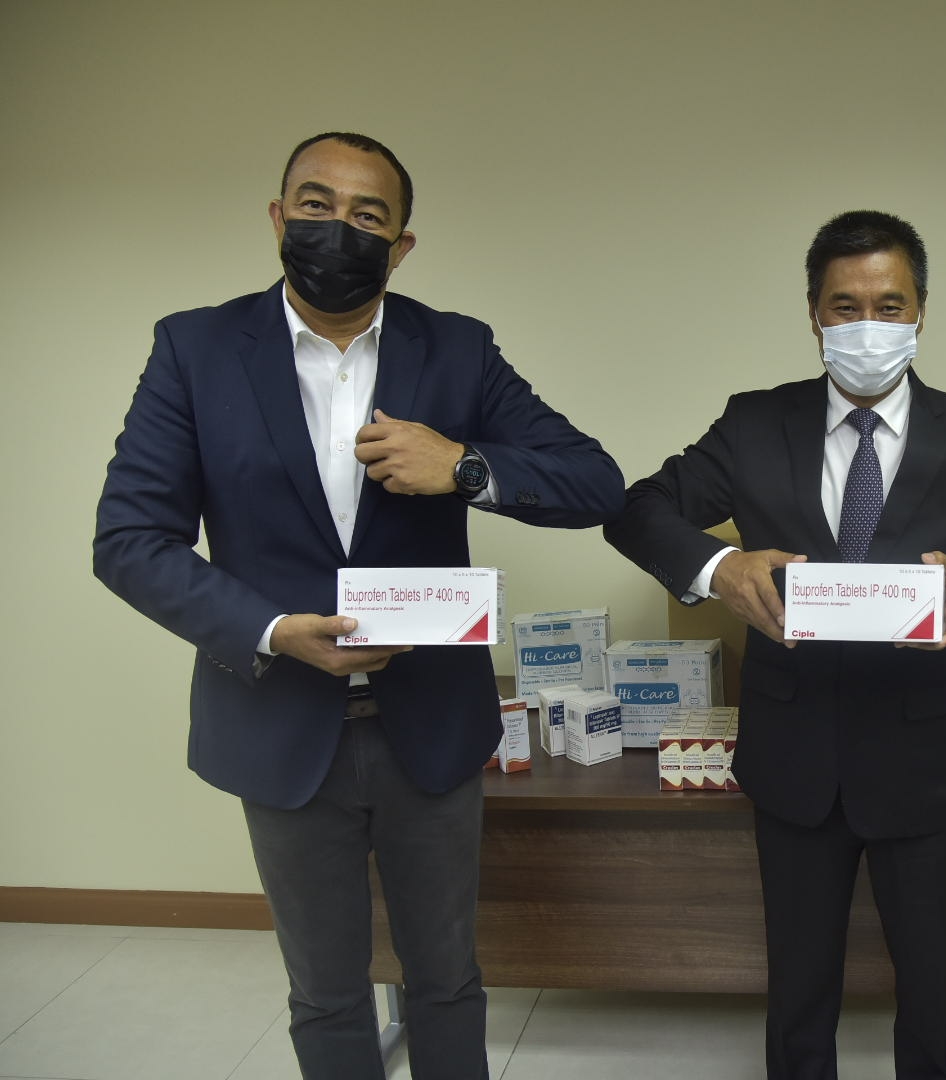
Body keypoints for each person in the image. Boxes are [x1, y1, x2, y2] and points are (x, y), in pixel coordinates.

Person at [93, 132, 625, 1080]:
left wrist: (462, 466)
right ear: (276, 216)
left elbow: (596, 483)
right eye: (315, 204)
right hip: (277, 723)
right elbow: (129, 540)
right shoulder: (197, 348)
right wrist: (269, 631)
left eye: (367, 215)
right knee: (327, 992)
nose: (338, 228)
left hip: (432, 726)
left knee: (448, 980)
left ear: (402, 244)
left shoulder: (456, 348)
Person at [604, 210, 946, 1080]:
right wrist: (718, 567)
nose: (867, 326)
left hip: (925, 755)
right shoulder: (754, 424)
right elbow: (636, 508)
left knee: (932, 988)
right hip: (794, 755)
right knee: (799, 992)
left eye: (889, 304)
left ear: (920, 313)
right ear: (813, 315)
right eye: (845, 306)